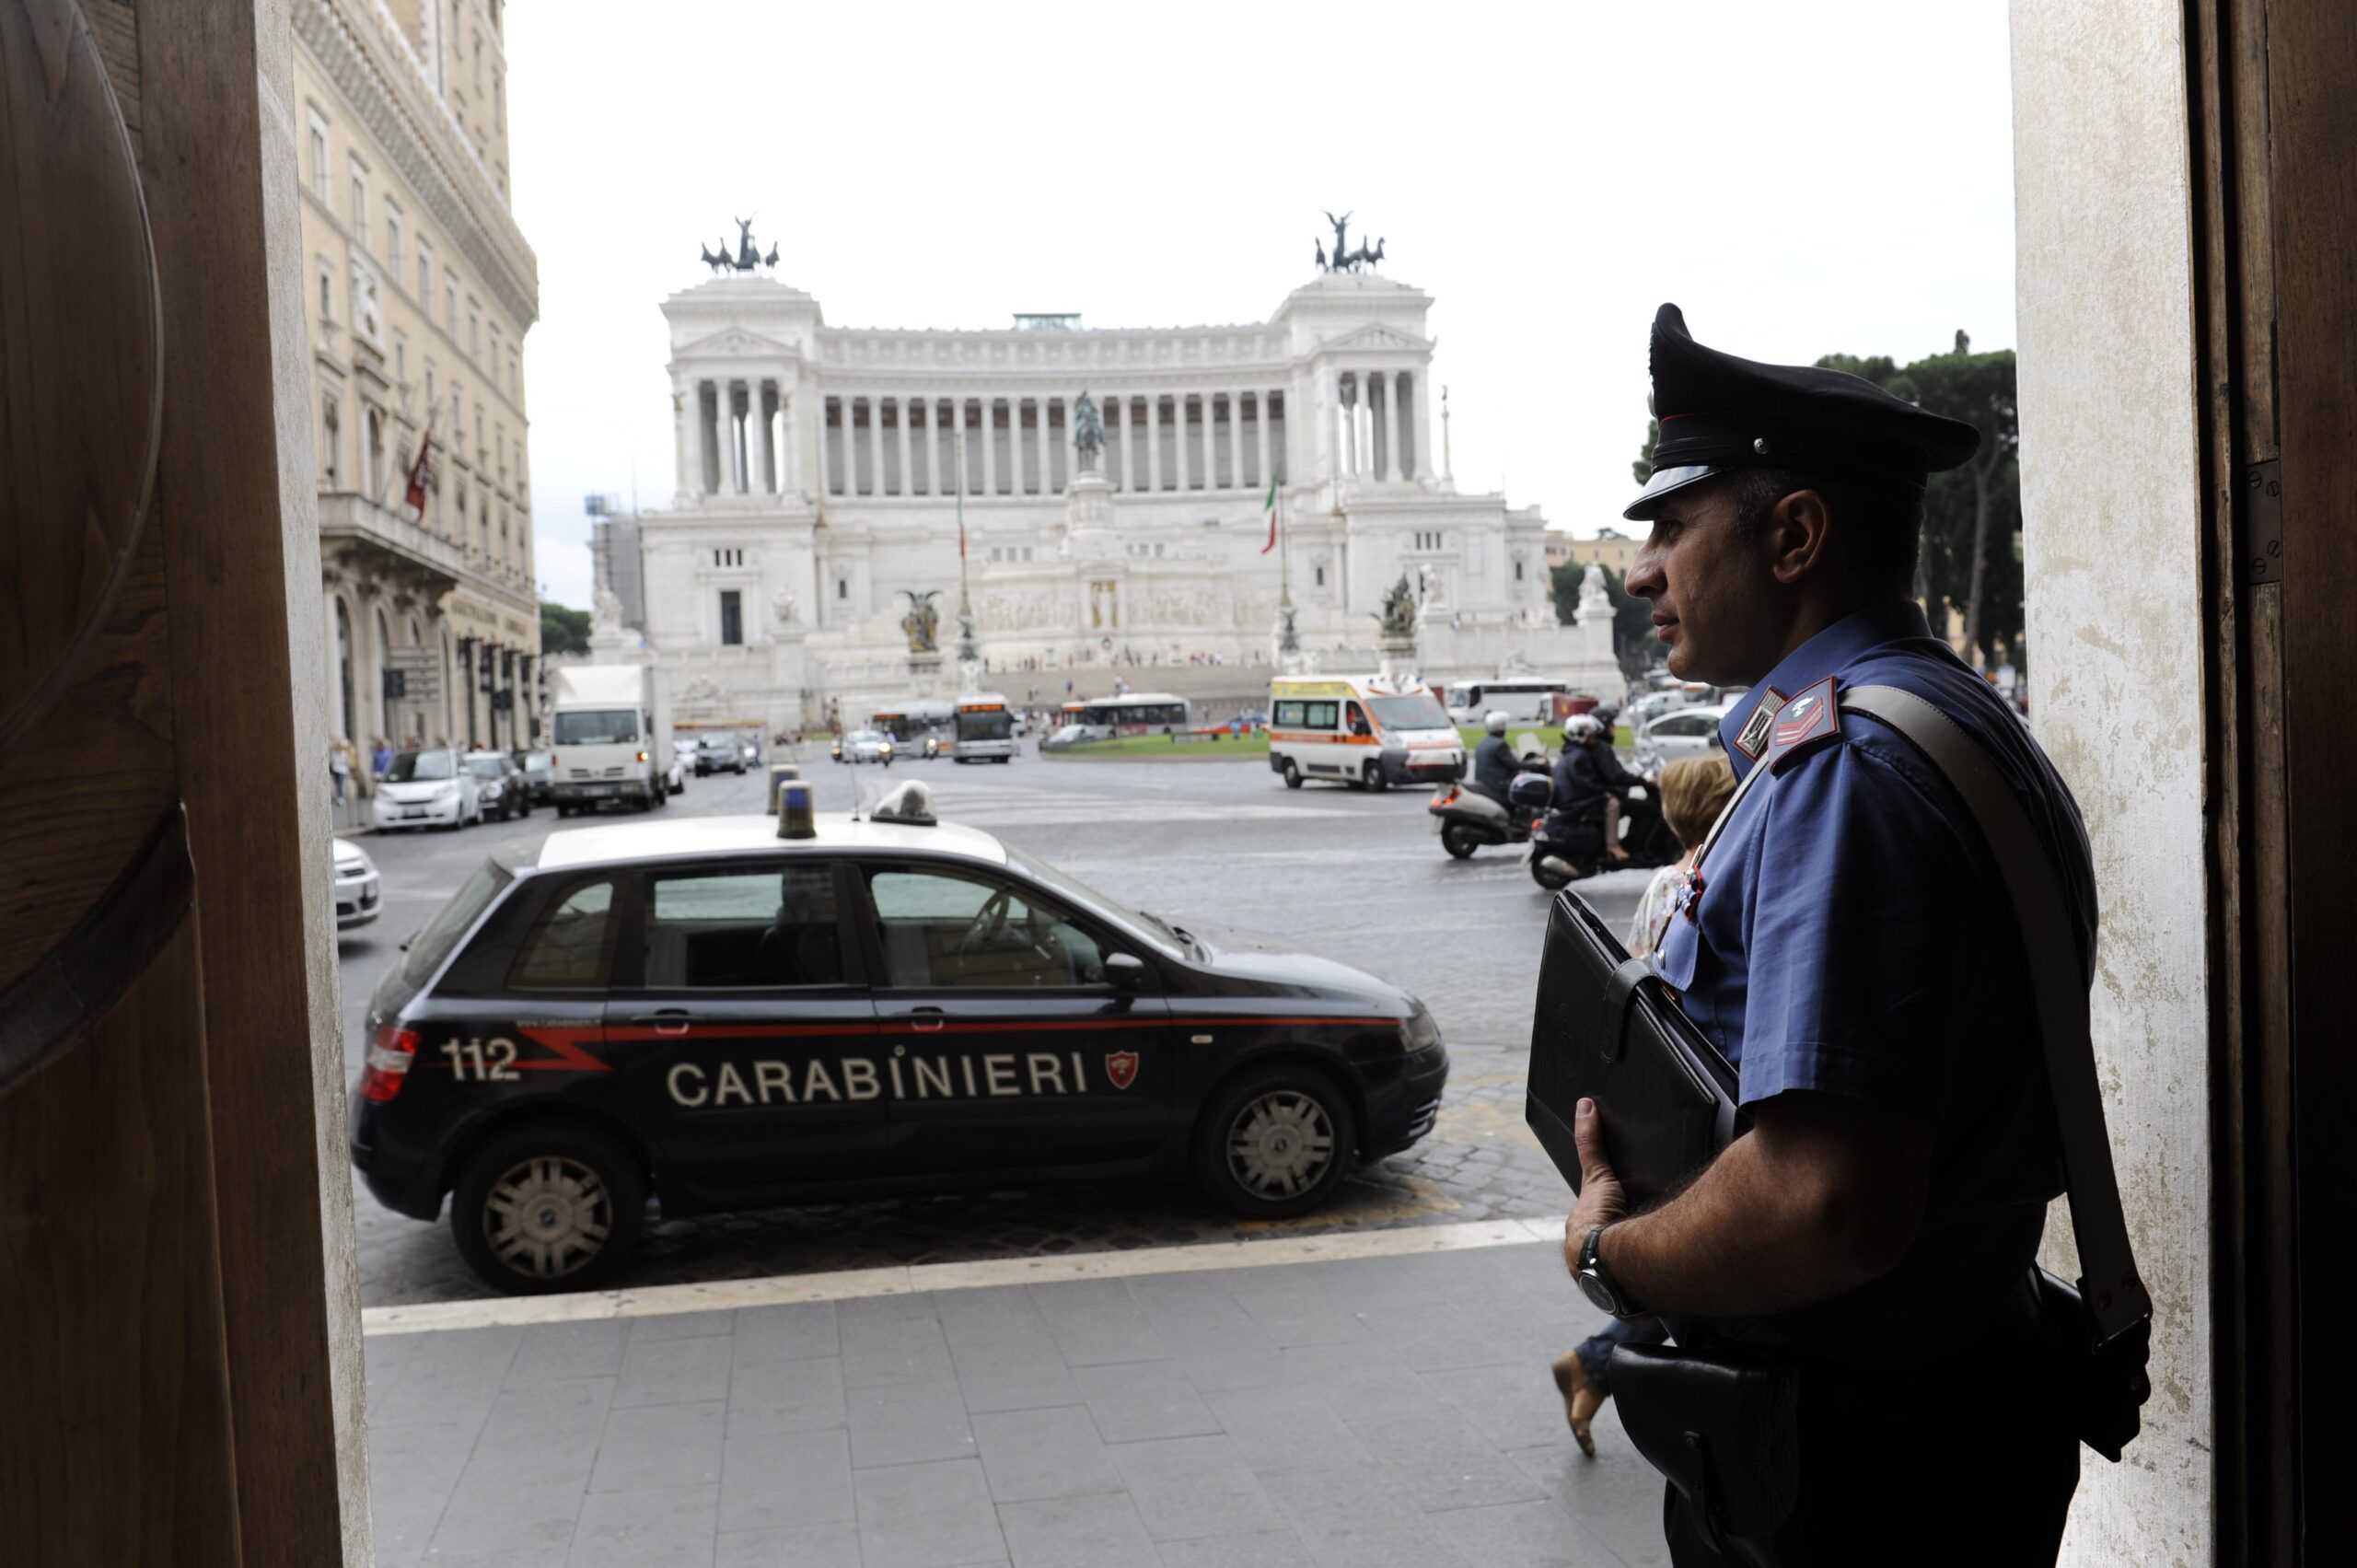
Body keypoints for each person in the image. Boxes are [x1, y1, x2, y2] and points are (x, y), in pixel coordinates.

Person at [1560, 304, 2095, 1563]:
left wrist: (1608, 1252)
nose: (1642, 571)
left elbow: (1826, 1203)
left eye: (1675, 526)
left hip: (1850, 1459)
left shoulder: (1844, 770)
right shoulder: (1949, 718)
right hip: (1945, 1403)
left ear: (1794, 534)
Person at [1549, 752, 1737, 1454]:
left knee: (1677, 1253)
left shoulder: (1662, 881)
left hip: (1661, 1088)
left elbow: (1631, 969)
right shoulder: (1713, 877)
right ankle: (1597, 1365)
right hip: (1708, 1091)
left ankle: (1592, 1365)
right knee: (1696, 1257)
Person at [1551, 714, 1644, 862]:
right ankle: (1613, 845)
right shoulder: (1580, 756)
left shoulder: (1572, 752)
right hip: (1576, 801)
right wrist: (1606, 793)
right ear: (1581, 736)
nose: (1594, 739)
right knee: (1613, 804)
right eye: (1591, 737)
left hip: (1572, 797)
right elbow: (1588, 784)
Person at [1469, 711, 1516, 800]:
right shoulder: (1500, 744)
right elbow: (1513, 764)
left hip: (1483, 783)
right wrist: (1534, 764)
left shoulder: (1482, 742)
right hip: (1497, 786)